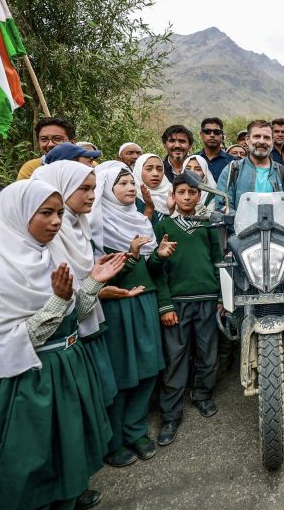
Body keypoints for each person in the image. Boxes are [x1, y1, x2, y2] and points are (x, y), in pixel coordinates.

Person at [0, 180, 124, 510]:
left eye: (59, 214)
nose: (55, 223)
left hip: (67, 367)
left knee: (69, 449)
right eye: (45, 214)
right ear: (18, 216)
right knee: (31, 464)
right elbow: (13, 340)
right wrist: (57, 301)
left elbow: (73, 316)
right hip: (30, 379)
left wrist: (93, 284)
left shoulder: (46, 255)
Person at [95, 162, 175, 467]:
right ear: (107, 190)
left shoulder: (142, 223)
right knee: (122, 374)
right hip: (117, 307)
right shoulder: (98, 227)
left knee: (147, 368)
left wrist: (157, 256)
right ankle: (114, 440)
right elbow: (100, 277)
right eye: (123, 184)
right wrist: (130, 256)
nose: (131, 188)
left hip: (145, 302)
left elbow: (152, 270)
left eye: (131, 183)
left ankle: (136, 430)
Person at [153, 176, 223, 447]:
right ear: (173, 195)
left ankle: (202, 396)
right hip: (177, 303)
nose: (187, 197)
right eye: (181, 192)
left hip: (206, 300)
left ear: (199, 196)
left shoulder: (207, 226)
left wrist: (220, 297)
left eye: (192, 192)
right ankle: (171, 414)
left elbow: (218, 261)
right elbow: (157, 270)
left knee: (208, 353)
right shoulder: (163, 226)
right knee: (175, 357)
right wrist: (165, 304)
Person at [216, 120, 284, 211]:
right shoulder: (232, 170)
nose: (262, 141)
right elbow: (223, 207)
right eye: (257, 136)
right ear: (247, 140)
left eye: (267, 138)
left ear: (272, 141)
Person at [134, 153, 173, 223]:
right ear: (139, 170)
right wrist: (149, 208)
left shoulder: (172, 192)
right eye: (149, 169)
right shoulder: (132, 196)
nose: (155, 174)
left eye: (160, 169)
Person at [196, 117, 235, 183]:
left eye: (217, 132)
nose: (212, 135)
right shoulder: (192, 160)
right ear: (201, 135)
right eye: (207, 132)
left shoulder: (233, 162)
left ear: (222, 135)